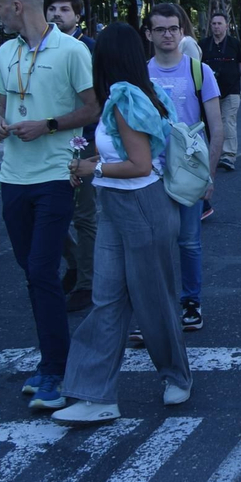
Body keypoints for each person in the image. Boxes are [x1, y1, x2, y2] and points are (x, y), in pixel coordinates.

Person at [53, 23, 191, 424]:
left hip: (141, 205)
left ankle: (176, 376)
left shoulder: (125, 98)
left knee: (153, 301)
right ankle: (95, 395)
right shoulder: (142, 92)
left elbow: (140, 165)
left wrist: (90, 169)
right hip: (121, 205)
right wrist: (97, 169)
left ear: (105, 59)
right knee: (107, 299)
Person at [0, 0, 100, 411]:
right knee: (35, 273)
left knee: (40, 269)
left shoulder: (73, 51)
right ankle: (52, 361)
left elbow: (93, 107)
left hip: (56, 175)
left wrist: (48, 125)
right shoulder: (5, 52)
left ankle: (57, 368)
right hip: (12, 177)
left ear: (18, 6)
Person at [145, 3, 223, 333]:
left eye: (173, 28)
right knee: (153, 243)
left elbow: (216, 127)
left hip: (189, 171)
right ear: (149, 34)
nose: (167, 34)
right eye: (160, 29)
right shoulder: (140, 71)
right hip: (148, 170)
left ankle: (191, 302)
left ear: (182, 32)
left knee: (189, 242)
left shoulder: (198, 71)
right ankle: (157, 307)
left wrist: (210, 174)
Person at [47, 0, 98, 311]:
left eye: (64, 9)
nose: (56, 14)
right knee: (49, 211)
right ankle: (76, 262)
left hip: (84, 138)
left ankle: (87, 283)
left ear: (77, 16)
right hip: (50, 140)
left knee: (84, 215)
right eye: (51, 8)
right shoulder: (42, 49)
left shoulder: (88, 47)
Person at [202, 13, 241, 173]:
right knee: (213, 124)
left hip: (232, 91)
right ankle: (214, 153)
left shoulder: (234, 44)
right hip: (211, 94)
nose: (216, 26)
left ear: (226, 26)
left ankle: (228, 156)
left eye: (219, 23)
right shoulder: (203, 45)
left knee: (228, 121)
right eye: (213, 23)